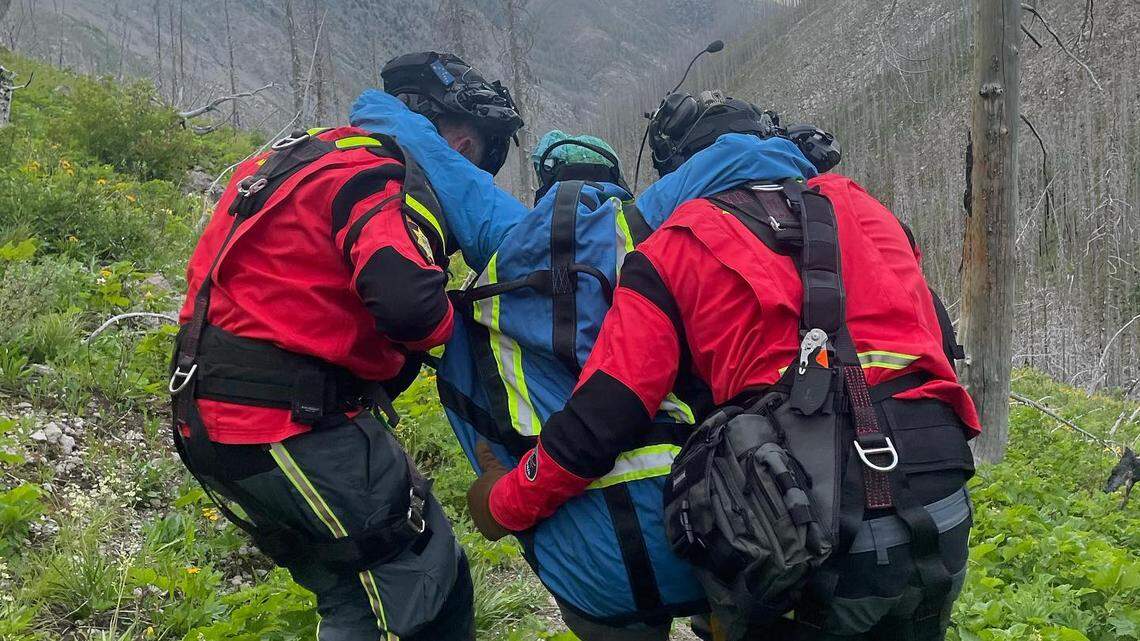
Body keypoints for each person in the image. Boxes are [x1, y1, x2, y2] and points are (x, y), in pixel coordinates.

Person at [467, 90, 980, 641]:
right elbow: (938, 342)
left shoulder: (675, 243)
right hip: (939, 504)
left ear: (679, 171)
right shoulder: (861, 205)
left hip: (807, 533)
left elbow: (602, 417)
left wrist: (505, 501)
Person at [349, 90, 838, 641]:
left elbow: (432, 157)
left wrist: (376, 107)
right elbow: (748, 158)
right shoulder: (653, 223)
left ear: (543, 186)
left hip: (585, 562)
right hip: (707, 528)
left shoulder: (507, 236)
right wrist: (795, 151)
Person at [167, 51, 522, 641]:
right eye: (477, 164)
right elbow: (407, 300)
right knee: (413, 583)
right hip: (284, 421)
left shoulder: (298, 154)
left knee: (371, 585)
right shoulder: (383, 176)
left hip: (217, 414)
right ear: (459, 148)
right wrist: (453, 321)